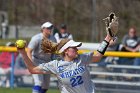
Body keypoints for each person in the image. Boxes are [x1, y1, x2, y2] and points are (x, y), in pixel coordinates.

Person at [16, 13, 118, 93]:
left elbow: (97, 56)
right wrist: (22, 52)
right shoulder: (56, 65)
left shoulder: (82, 58)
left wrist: (107, 38)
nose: (77, 49)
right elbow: (33, 69)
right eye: (74, 48)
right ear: (66, 51)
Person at [27, 22, 56, 93]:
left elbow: (54, 52)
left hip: (47, 62)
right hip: (36, 61)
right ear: (43, 29)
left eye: (51, 28)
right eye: (48, 28)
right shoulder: (36, 38)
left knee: (46, 86)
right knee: (38, 82)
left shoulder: (53, 38)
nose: (50, 29)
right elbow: (29, 51)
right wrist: (30, 64)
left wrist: (54, 62)